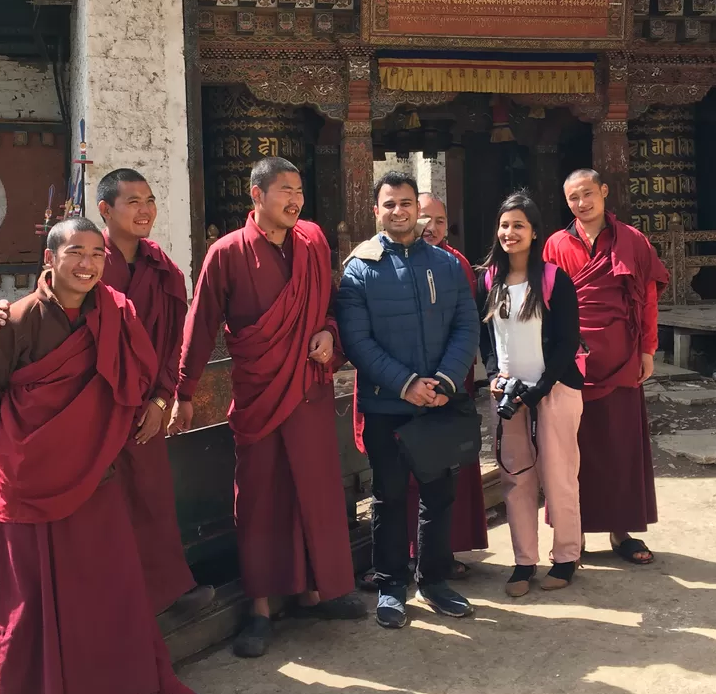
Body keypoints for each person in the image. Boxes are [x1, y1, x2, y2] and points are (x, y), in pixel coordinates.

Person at [0, 217, 228, 694]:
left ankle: (160, 688)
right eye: (75, 253)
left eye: (94, 253)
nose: (87, 264)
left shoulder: (116, 310)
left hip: (98, 472)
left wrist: (151, 408)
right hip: (35, 482)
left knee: (117, 586)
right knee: (55, 597)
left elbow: (140, 374)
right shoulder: (13, 320)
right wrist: (28, 456)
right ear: (50, 258)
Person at [0, 169, 212, 621]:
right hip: (88, 405)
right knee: (97, 506)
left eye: (150, 200)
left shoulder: (164, 270)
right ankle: (108, 602)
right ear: (106, 210)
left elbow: (172, 346)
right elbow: (46, 319)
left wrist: (163, 400)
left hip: (142, 406)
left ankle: (163, 588)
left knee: (149, 496)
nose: (145, 210)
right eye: (133, 202)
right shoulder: (80, 259)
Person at [170, 156, 365, 659]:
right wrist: (184, 392)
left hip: (309, 390)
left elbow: (327, 303)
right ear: (256, 195)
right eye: (284, 190)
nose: (295, 199)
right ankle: (259, 606)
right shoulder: (226, 253)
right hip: (258, 393)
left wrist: (327, 331)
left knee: (316, 491)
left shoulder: (314, 242)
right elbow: (200, 323)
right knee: (259, 498)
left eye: (299, 190)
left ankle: (316, 590)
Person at [336, 171, 480, 630]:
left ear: (416, 209)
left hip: (438, 400)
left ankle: (434, 581)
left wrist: (443, 379)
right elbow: (358, 342)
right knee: (389, 497)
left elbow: (466, 324)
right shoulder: (359, 269)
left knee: (438, 497)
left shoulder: (445, 263)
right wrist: (406, 384)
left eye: (405, 203)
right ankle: (391, 586)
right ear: (375, 211)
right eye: (389, 204)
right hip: (387, 405)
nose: (399, 211)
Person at [543, 169, 669, 565]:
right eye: (572, 198)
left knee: (619, 446)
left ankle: (621, 531)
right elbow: (545, 305)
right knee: (571, 448)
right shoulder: (555, 244)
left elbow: (647, 297)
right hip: (571, 361)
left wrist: (648, 349)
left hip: (620, 357)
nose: (581, 203)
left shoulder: (632, 240)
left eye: (587, 194)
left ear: (603, 192)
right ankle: (572, 533)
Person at [477, 193, 584, 595]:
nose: (509, 233)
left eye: (518, 225)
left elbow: (566, 341)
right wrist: (493, 375)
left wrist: (539, 389)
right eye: (504, 226)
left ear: (535, 232)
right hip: (508, 395)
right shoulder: (489, 280)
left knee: (559, 477)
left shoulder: (555, 279)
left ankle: (567, 555)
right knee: (515, 478)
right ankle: (524, 562)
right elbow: (486, 339)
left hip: (553, 390)